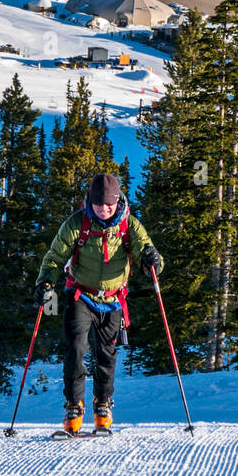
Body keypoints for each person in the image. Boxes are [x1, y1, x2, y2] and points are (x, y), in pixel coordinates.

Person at [34, 172, 163, 433]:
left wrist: (153, 260)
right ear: (89, 202)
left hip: (114, 300)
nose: (103, 209)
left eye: (108, 204)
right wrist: (45, 282)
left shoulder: (130, 226)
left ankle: (102, 402)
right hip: (80, 294)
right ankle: (74, 405)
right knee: (76, 347)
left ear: (117, 201)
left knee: (106, 355)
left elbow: (146, 253)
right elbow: (55, 256)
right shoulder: (76, 224)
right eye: (97, 204)